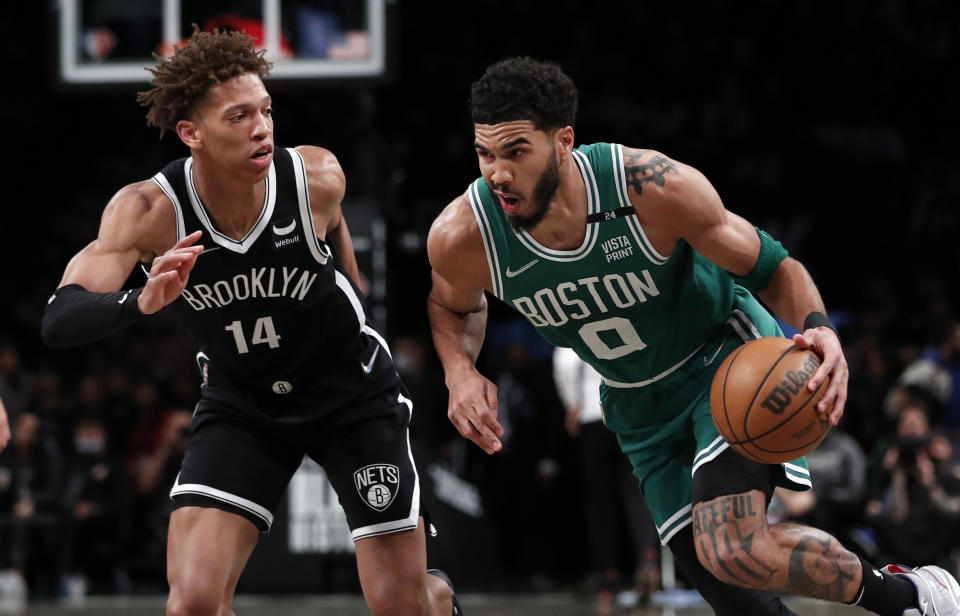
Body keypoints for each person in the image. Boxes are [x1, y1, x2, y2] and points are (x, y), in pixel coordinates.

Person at [425, 56, 960, 616]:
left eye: (516, 152)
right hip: (636, 402)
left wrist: (819, 330)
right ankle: (906, 600)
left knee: (732, 546)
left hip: (726, 362)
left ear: (564, 142)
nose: (498, 173)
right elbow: (449, 305)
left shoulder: (648, 187)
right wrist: (459, 370)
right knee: (732, 592)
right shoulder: (464, 234)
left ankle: (912, 596)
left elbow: (772, 266)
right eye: (485, 154)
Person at [41, 27, 459, 616]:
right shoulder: (149, 211)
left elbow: (336, 232)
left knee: (404, 605)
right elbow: (59, 318)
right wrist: (140, 301)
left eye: (265, 110)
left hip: (348, 394)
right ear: (191, 133)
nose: (262, 127)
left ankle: (439, 596)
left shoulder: (315, 178)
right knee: (192, 603)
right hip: (244, 402)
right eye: (238, 116)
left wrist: (353, 286)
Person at [552, 346, 660, 606]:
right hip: (629, 410)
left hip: (592, 412)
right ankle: (647, 557)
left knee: (599, 499)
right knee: (636, 489)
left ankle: (607, 573)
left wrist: (572, 405)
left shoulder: (570, 309)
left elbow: (565, 363)